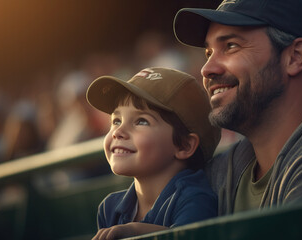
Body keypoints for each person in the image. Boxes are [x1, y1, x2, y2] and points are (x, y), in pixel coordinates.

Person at [173, 0, 302, 215]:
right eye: (209, 53)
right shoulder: (226, 169)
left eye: (231, 46)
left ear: (295, 57)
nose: (206, 69)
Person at [86, 67, 221, 239]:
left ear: (184, 146)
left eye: (141, 121)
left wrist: (135, 233)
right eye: (116, 120)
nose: (118, 131)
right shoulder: (109, 208)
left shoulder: (195, 199)